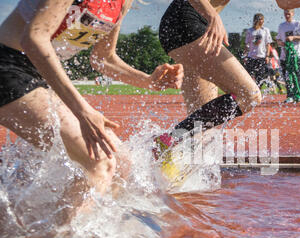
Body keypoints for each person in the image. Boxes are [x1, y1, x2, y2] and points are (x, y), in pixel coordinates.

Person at [0, 0, 183, 196]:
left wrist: (149, 81)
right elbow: (34, 38)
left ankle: (82, 220)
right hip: (7, 67)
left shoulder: (123, 2)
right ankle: (69, 227)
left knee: (122, 164)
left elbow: (103, 58)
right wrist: (83, 111)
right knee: (100, 161)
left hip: (37, 76)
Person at [156, 0, 262, 172]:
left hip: (191, 26)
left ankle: (168, 176)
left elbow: (285, 3)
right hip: (186, 23)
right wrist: (213, 16)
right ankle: (169, 139)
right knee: (249, 95)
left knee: (202, 134)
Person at [276, 9, 300, 103]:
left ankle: (297, 95)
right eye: (285, 13)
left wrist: (293, 38)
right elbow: (278, 40)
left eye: (289, 13)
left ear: (293, 14)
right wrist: (281, 43)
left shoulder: (298, 24)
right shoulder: (281, 26)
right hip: (284, 55)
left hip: (296, 54)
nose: (287, 15)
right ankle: (289, 95)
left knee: (296, 76)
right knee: (287, 76)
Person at [244, 13, 273, 88]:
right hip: (251, 56)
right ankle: (249, 92)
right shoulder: (250, 31)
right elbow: (247, 44)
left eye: (262, 19)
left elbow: (268, 44)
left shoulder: (265, 30)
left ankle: (258, 92)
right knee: (248, 76)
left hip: (261, 56)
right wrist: (245, 56)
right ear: (255, 20)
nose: (261, 21)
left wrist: (267, 56)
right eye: (259, 19)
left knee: (260, 77)